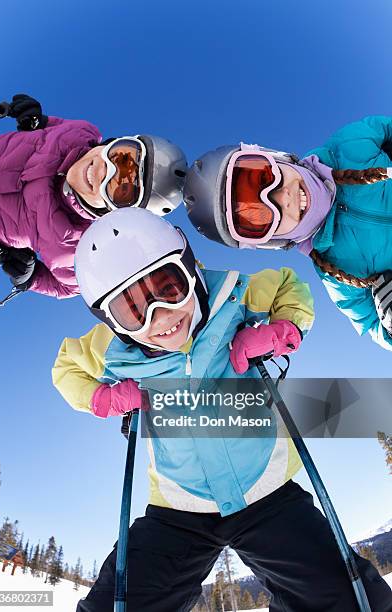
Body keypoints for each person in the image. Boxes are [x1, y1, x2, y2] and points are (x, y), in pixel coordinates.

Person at [52, 208, 391, 611]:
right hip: (179, 509)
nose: (159, 317)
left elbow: (289, 287)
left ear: (190, 270)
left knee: (353, 600)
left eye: (168, 287)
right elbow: (66, 368)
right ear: (111, 319)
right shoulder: (113, 349)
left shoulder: (231, 294)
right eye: (133, 310)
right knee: (115, 605)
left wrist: (280, 331)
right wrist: (103, 398)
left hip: (266, 491)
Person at [183, 116, 392, 351]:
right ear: (271, 242)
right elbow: (372, 326)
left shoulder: (348, 146)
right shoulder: (337, 272)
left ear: (277, 157)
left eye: (265, 176)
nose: (283, 198)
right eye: (260, 216)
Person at [0, 94, 187, 298]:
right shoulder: (79, 133)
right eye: (121, 157)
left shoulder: (74, 247)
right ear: (113, 142)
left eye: (120, 189)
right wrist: (36, 120)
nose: (102, 171)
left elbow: (68, 288)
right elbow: (52, 126)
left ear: (116, 211)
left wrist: (31, 277)